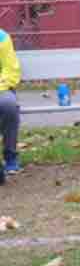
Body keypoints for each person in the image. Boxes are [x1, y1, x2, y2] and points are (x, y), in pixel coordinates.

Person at [0, 28, 20, 186]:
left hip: (1, 87)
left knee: (9, 105)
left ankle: (10, 155)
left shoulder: (2, 37)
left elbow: (11, 70)